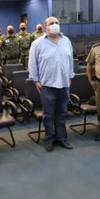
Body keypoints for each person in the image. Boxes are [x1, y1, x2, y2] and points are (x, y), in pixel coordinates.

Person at [28, 16, 75, 152]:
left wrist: (70, 76)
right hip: (47, 85)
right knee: (48, 115)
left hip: (64, 84)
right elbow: (32, 63)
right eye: (51, 23)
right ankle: (49, 139)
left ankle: (61, 138)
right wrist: (36, 80)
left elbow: (70, 59)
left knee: (62, 113)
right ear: (45, 27)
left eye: (56, 23)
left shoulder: (66, 41)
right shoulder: (37, 43)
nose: (54, 25)